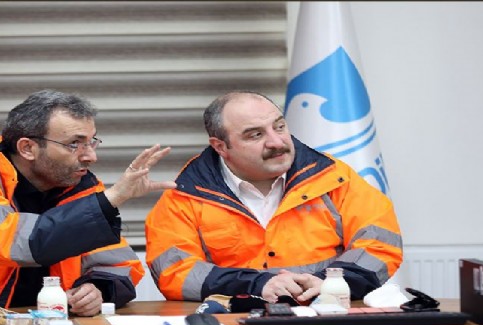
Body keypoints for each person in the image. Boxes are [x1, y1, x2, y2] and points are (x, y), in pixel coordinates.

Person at [0, 89, 176, 316]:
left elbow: (120, 263)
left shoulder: (76, 185)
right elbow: (20, 243)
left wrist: (98, 288)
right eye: (74, 144)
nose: (90, 156)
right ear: (27, 148)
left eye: (92, 141)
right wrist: (114, 197)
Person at [145, 91, 402, 305]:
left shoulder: (335, 177)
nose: (277, 142)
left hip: (328, 315)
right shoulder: (186, 195)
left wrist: (328, 283)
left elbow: (379, 245)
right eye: (255, 134)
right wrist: (257, 284)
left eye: (279, 126)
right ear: (221, 146)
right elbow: (175, 272)